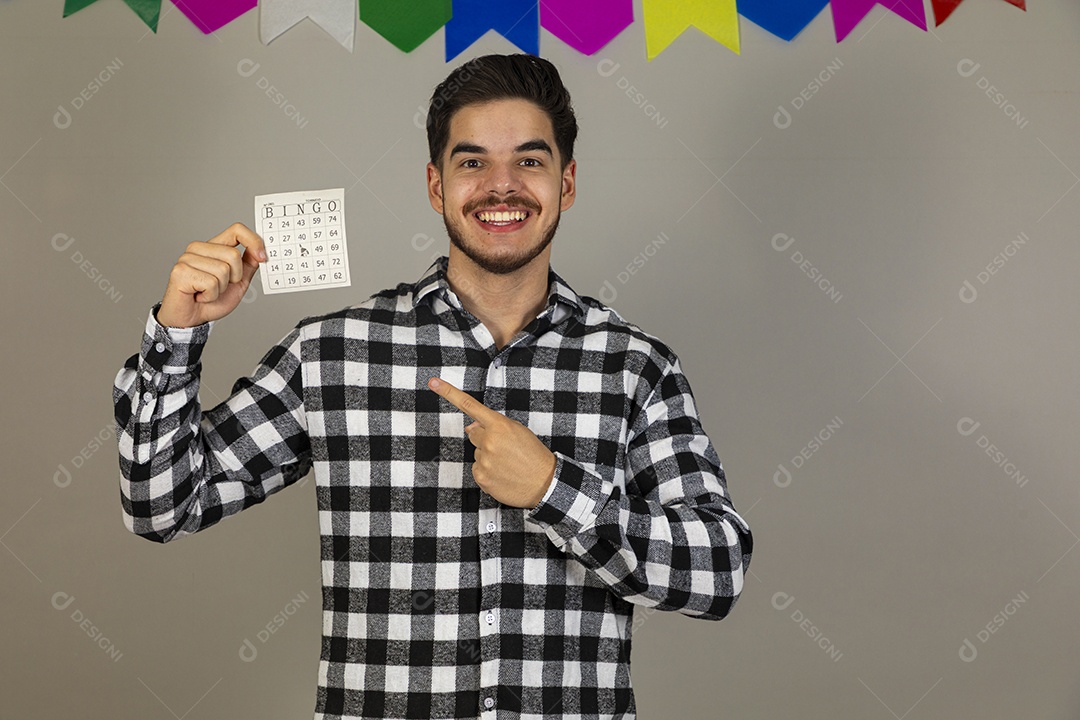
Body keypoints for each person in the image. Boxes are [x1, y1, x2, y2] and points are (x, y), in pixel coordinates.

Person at [114, 53, 752, 720]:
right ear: (435, 184)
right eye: (472, 162)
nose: (501, 187)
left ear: (566, 183)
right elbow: (162, 505)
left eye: (529, 162)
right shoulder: (335, 352)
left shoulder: (635, 367)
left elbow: (717, 573)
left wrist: (552, 491)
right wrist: (176, 332)